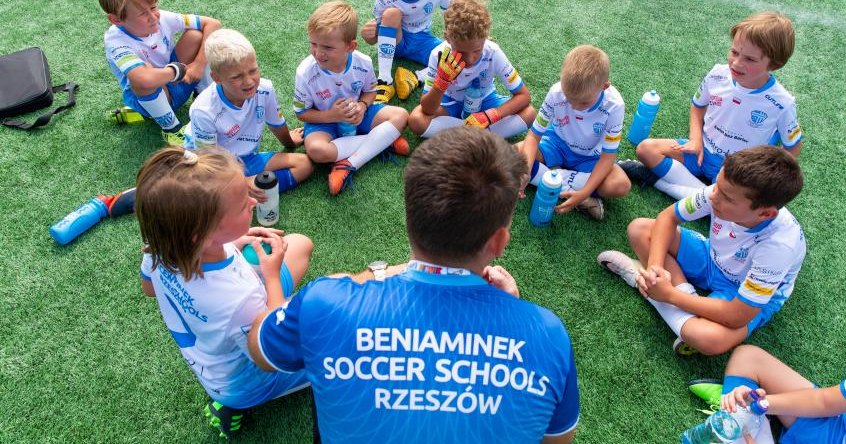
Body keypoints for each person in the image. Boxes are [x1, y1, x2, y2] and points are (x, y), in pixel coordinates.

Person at [249, 127, 579, 443]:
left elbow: (260, 350)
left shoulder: (326, 301)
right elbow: (557, 440)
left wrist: (365, 277)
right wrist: (513, 314)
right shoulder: (547, 335)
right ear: (499, 242)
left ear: (410, 218)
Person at [135, 147, 314, 438]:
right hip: (248, 381)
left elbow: (148, 289)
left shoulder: (159, 246)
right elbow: (271, 354)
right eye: (243, 205)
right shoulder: (239, 298)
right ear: (203, 236)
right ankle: (233, 406)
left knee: (300, 245)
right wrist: (271, 277)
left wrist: (231, 242)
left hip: (211, 359)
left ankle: (231, 400)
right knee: (330, 327)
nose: (253, 202)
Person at [598, 146, 805, 356]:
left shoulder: (779, 247)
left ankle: (640, 279)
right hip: (711, 258)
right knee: (640, 230)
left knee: (709, 340)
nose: (713, 196)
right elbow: (667, 218)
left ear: (765, 214)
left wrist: (669, 295)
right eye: (717, 185)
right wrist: (655, 269)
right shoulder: (721, 191)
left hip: (740, 292)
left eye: (727, 198)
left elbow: (737, 315)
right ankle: (674, 308)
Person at [622, 11, 803, 199]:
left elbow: (793, 146)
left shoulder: (782, 103)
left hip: (735, 168)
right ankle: (711, 196)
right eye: (734, 52)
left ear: (774, 65)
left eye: (749, 59)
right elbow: (698, 106)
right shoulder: (718, 74)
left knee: (734, 199)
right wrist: (695, 140)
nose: (736, 63)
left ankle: (658, 181)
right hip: (701, 151)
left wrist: (762, 174)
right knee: (646, 150)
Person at [688, 317, 846, 444]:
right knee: (748, 359)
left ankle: (748, 425)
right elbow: (825, 401)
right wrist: (760, 403)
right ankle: (744, 414)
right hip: (844, 434)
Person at [294, 1, 410, 195]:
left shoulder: (363, 63)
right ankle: (382, 140)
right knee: (316, 150)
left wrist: (362, 106)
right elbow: (301, 113)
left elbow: (371, 92)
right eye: (313, 44)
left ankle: (349, 163)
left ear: (351, 46)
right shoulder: (305, 72)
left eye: (328, 47)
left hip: (358, 116)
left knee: (401, 115)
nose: (318, 53)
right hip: (323, 121)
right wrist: (332, 116)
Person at [184, 28, 312, 199]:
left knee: (304, 164)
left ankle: (244, 191)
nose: (249, 81)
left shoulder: (265, 89)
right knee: (202, 191)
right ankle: (242, 189)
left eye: (253, 71)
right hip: (214, 166)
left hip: (246, 159)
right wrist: (242, 182)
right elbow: (207, 162)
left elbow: (276, 123)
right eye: (237, 77)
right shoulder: (203, 110)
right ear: (217, 78)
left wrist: (290, 143)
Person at [99, 0, 221, 145]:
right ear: (117, 20)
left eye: (153, 7)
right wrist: (177, 71)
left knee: (196, 35)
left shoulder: (161, 17)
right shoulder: (115, 41)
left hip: (179, 80)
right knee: (141, 79)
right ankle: (172, 130)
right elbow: (144, 79)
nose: (153, 17)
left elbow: (213, 24)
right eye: (142, 14)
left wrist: (198, 65)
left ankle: (206, 99)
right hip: (157, 89)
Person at [517, 45, 631, 221]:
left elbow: (608, 157)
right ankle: (568, 188)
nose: (575, 107)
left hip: (591, 158)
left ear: (604, 87)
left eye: (583, 102)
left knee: (620, 185)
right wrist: (525, 170)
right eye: (569, 98)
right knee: (514, 154)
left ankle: (552, 177)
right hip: (556, 145)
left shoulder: (614, 106)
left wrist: (584, 192)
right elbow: (534, 135)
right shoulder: (556, 92)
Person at [408, 0, 536, 139]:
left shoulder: (493, 52)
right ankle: (480, 137)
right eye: (461, 52)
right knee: (416, 120)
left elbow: (524, 96)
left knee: (529, 113)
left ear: (485, 38)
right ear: (448, 38)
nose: (470, 59)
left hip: (485, 101)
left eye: (477, 51)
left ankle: (462, 137)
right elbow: (427, 109)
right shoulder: (438, 55)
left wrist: (491, 115)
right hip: (450, 104)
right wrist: (441, 83)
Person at [360, 0, 453, 102]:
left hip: (423, 41)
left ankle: (415, 78)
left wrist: (467, 35)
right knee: (392, 14)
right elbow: (376, 38)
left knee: (458, 55)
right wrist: (368, 35)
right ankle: (384, 81)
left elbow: (454, 13)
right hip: (396, 42)